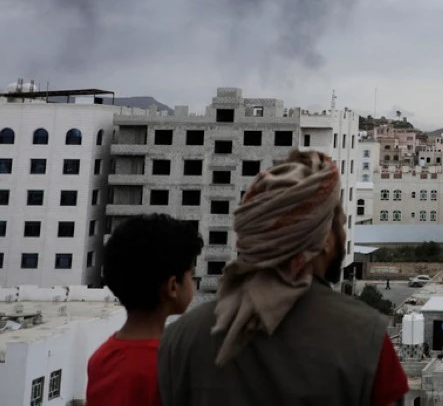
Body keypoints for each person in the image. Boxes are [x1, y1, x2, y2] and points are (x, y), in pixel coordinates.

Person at [159, 150, 409, 405]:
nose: (344, 236)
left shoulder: (180, 340)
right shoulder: (365, 338)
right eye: (341, 224)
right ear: (325, 239)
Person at [87, 214, 202, 406]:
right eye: (192, 275)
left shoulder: (100, 359)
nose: (194, 282)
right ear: (173, 286)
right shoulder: (175, 366)